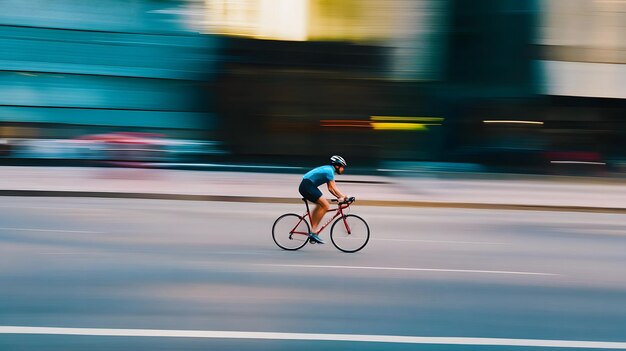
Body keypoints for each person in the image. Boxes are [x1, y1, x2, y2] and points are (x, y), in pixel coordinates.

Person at [298, 155, 348, 244]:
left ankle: (313, 230)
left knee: (320, 205)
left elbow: (331, 188)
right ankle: (313, 233)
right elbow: (333, 188)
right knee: (326, 205)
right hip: (307, 186)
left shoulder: (329, 170)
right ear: (337, 166)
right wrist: (343, 197)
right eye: (342, 167)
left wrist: (340, 197)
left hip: (308, 186)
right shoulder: (329, 171)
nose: (343, 169)